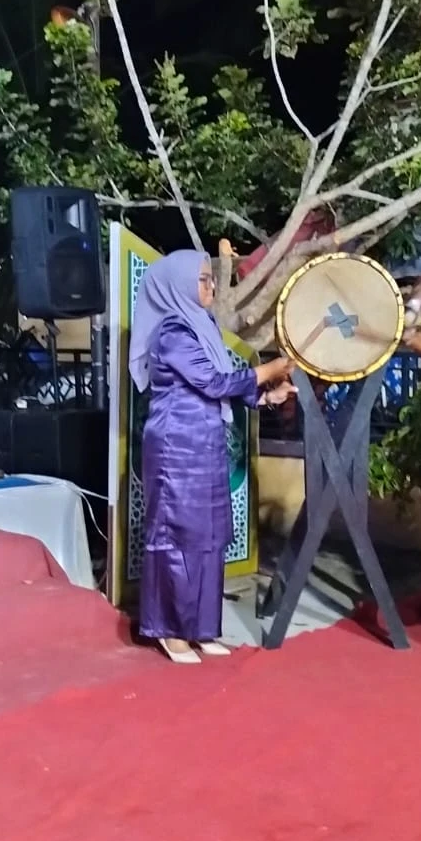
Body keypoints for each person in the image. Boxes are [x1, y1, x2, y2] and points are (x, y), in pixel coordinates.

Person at [132, 250, 294, 662]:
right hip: (175, 447)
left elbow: (225, 388)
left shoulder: (202, 326)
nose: (212, 286)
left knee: (209, 537)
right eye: (203, 279)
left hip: (205, 444)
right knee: (177, 537)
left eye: (210, 278)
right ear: (180, 285)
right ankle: (170, 630)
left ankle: (201, 629)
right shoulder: (173, 333)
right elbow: (213, 382)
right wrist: (271, 368)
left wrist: (266, 397)